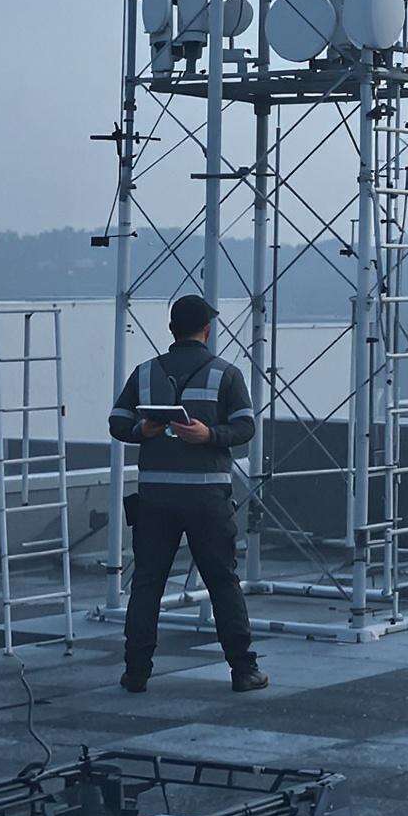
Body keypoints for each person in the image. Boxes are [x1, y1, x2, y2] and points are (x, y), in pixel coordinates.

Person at [108, 294, 266, 693]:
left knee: (147, 584)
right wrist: (209, 435)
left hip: (154, 500)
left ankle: (136, 672)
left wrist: (142, 431)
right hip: (207, 500)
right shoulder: (226, 374)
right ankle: (243, 671)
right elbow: (245, 428)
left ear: (171, 329)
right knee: (222, 582)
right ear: (207, 330)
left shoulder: (145, 373)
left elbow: (117, 422)